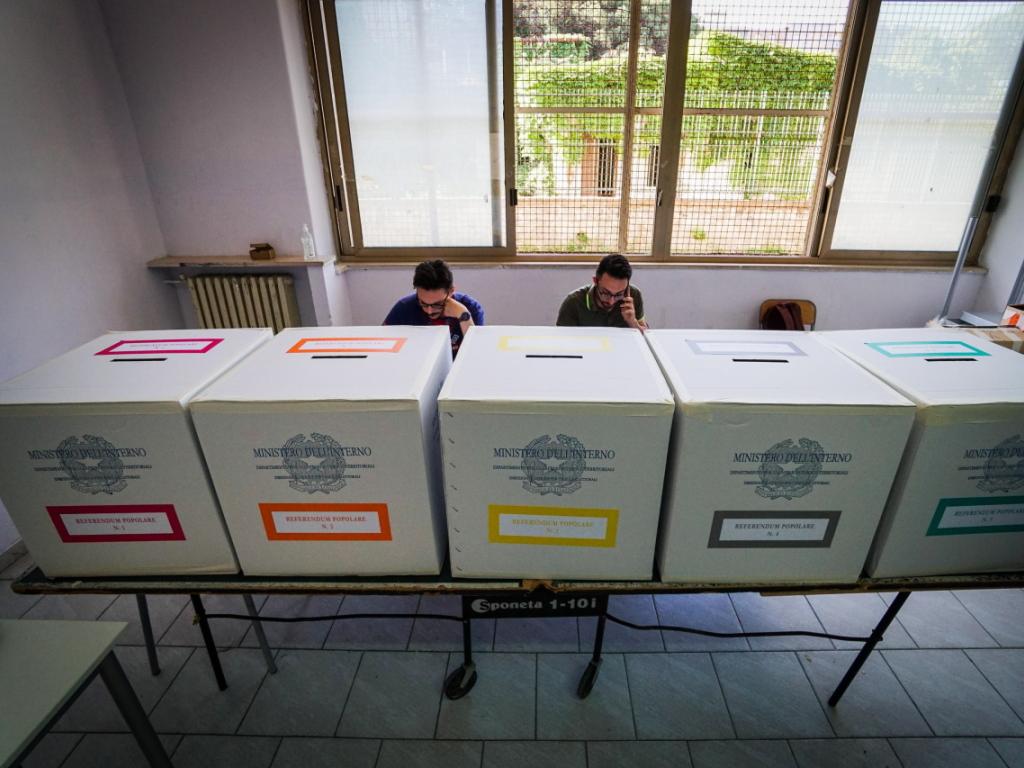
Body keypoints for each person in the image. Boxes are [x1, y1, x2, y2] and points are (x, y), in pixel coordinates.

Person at [383, 259, 484, 355]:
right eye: (423, 303)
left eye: (437, 304)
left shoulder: (471, 308)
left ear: (451, 291)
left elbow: (476, 354)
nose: (429, 311)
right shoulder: (403, 308)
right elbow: (382, 346)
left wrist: (463, 314)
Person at [556, 253, 647, 329]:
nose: (611, 301)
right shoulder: (573, 302)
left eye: (619, 294)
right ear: (595, 281)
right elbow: (562, 340)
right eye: (606, 293)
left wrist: (632, 321)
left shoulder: (633, 295)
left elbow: (645, 337)